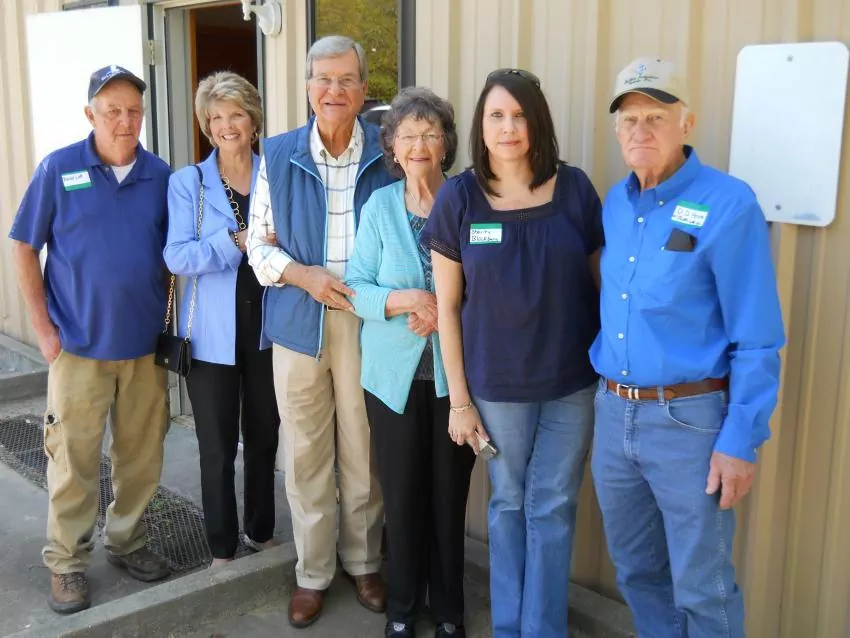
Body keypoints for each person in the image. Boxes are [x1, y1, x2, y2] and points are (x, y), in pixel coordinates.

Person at [590, 57, 785, 638]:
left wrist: (740, 440)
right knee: (636, 570)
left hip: (689, 423)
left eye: (656, 117)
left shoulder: (729, 204)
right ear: (617, 129)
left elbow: (757, 335)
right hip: (613, 414)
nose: (641, 130)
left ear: (687, 123)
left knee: (702, 586)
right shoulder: (616, 203)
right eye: (629, 119)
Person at [421, 69, 604, 638]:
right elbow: (447, 309)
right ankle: (508, 626)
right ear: (481, 125)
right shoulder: (459, 198)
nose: (508, 127)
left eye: (520, 115)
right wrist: (459, 401)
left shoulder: (575, 190)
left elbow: (604, 285)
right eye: (496, 115)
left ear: (537, 123)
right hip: (497, 389)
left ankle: (541, 628)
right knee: (508, 502)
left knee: (554, 506)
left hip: (572, 384)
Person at [8, 66, 172, 614]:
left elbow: (174, 256)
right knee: (72, 460)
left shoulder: (160, 175)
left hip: (144, 349)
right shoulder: (59, 168)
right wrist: (43, 329)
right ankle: (67, 562)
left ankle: (127, 540)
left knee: (140, 457)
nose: (125, 121)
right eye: (112, 111)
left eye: (133, 111)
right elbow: (24, 247)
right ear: (90, 115)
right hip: (77, 348)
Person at [247, 35, 395, 629]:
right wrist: (304, 275)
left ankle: (364, 561)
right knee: (306, 451)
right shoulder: (278, 154)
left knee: (364, 446)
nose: (335, 90)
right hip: (298, 318)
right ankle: (312, 572)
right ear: (308, 86)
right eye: (324, 79)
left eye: (347, 79)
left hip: (368, 319)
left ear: (363, 88)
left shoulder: (387, 150)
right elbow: (257, 246)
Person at [346, 87, 475, 638]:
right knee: (400, 496)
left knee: (448, 499)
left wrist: (443, 311)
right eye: (408, 135)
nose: (419, 145)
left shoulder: (468, 200)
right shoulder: (379, 206)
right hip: (392, 379)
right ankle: (401, 608)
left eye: (430, 133)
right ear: (393, 148)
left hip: (455, 380)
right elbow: (355, 288)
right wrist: (407, 301)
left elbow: (488, 285)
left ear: (445, 143)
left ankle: (448, 609)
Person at [164, 71, 279, 568]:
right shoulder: (188, 183)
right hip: (211, 336)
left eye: (237, 114)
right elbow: (176, 256)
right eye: (216, 117)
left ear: (253, 120)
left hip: (269, 330)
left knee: (264, 438)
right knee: (216, 447)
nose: (227, 125)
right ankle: (220, 547)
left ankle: (260, 529)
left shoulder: (276, 172)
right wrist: (234, 242)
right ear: (206, 126)